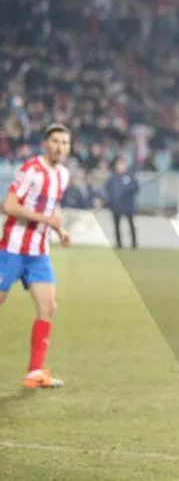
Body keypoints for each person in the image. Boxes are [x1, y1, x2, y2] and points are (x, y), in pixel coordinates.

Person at [0, 123, 72, 388]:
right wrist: (45, 219)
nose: (60, 147)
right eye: (55, 141)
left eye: (65, 142)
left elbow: (51, 210)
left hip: (39, 253)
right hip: (12, 249)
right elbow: (8, 205)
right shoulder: (31, 169)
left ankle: (35, 372)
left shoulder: (63, 175)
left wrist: (60, 231)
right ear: (45, 144)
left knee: (48, 307)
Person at [104, 156, 139, 249]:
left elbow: (135, 187)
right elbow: (108, 189)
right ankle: (119, 243)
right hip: (116, 205)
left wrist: (127, 191)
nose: (121, 166)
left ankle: (134, 243)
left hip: (128, 204)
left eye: (123, 164)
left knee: (131, 224)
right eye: (119, 164)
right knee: (117, 225)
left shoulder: (130, 176)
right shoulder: (113, 178)